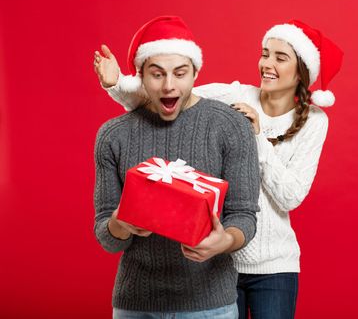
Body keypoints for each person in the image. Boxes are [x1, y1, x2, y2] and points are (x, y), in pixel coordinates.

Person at [95, 19, 343, 319]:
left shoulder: (315, 121)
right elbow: (172, 95)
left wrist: (257, 137)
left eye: (280, 57)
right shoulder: (235, 96)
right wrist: (117, 83)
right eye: (265, 53)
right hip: (216, 264)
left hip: (272, 263)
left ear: (302, 71)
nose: (267, 63)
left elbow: (290, 196)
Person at [93, 16, 260, 319]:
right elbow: (105, 233)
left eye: (180, 73)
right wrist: (121, 223)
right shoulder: (112, 136)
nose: (169, 85)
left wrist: (225, 241)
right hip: (136, 306)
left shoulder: (231, 126)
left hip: (211, 305)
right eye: (157, 74)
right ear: (140, 75)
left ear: (196, 72)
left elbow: (244, 216)